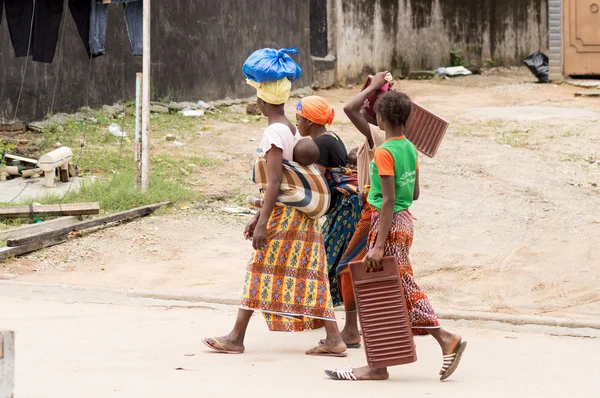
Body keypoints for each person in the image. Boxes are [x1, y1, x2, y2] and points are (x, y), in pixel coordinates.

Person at [325, 91, 466, 381]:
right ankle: (379, 364)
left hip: (386, 223)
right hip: (404, 222)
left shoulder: (384, 152)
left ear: (380, 117)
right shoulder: (410, 148)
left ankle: (444, 337)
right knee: (390, 289)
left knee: (400, 287)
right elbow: (413, 193)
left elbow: (387, 200)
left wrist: (377, 246)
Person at [203, 74, 347, 357]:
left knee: (259, 269)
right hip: (299, 214)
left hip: (285, 216)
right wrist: (258, 218)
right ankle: (333, 338)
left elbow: (274, 182)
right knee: (310, 274)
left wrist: (263, 222)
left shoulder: (273, 134)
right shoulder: (291, 129)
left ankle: (236, 337)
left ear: (261, 101)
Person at [334, 71, 391, 347]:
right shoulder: (393, 140)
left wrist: (376, 86)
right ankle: (382, 328)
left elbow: (348, 108)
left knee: (347, 268)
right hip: (381, 208)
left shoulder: (377, 135)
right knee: (385, 270)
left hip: (374, 208)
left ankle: (351, 330)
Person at [295, 96, 363, 309]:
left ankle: (323, 308)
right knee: (336, 257)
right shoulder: (331, 136)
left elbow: (317, 183)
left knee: (327, 258)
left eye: (298, 119)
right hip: (346, 206)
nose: (296, 123)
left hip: (344, 208)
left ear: (310, 121)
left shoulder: (321, 144)